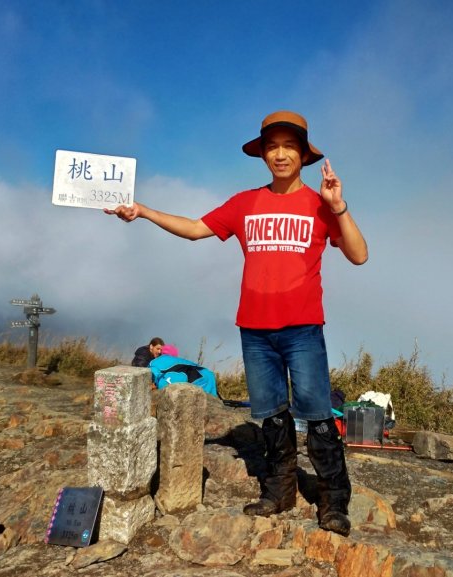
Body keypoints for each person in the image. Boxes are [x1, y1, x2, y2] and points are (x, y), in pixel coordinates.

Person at [105, 110, 368, 536]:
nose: (280, 154)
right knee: (271, 415)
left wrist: (339, 207)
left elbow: (359, 254)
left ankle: (333, 502)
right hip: (256, 330)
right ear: (263, 154)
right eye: (272, 146)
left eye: (289, 146)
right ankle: (279, 492)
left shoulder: (320, 206)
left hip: (303, 330)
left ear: (303, 155)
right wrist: (143, 211)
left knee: (319, 415)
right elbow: (194, 229)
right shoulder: (245, 203)